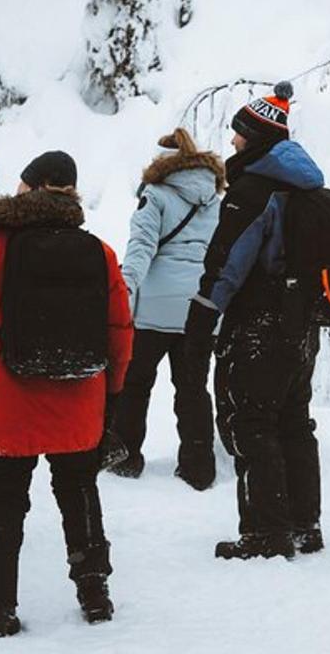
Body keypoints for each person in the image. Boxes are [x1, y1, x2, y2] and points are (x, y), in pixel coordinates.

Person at [0, 151, 133, 637]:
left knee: (2, 503)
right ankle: (95, 595)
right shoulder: (99, 251)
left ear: (33, 186)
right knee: (79, 493)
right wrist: (112, 394)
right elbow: (119, 331)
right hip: (80, 395)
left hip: (10, 399)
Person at [178, 81, 326, 560]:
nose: (233, 141)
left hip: (260, 324)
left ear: (256, 138)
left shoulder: (253, 190)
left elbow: (229, 262)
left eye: (239, 133)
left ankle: (265, 533)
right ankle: (304, 525)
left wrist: (202, 317)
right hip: (302, 325)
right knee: (294, 421)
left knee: (252, 423)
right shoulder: (306, 191)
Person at [107, 128, 222, 485]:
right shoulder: (216, 201)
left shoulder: (154, 195)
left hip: (154, 311)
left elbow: (142, 246)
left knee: (135, 384)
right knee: (192, 388)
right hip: (199, 309)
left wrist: (123, 289)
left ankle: (125, 459)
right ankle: (199, 467)